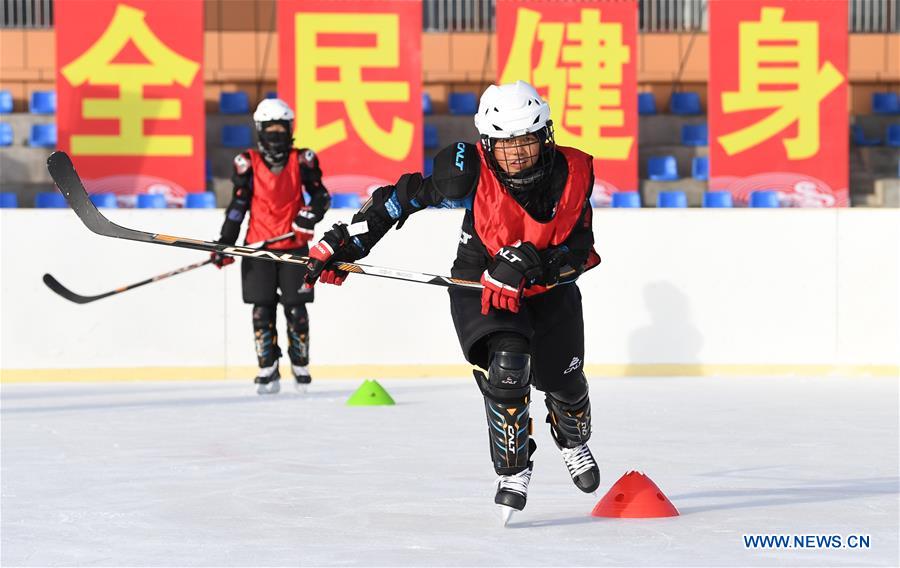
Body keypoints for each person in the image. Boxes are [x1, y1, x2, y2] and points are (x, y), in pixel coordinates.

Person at [303, 81, 600, 522]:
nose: (516, 154)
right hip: (481, 283)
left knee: (566, 385)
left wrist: (532, 264)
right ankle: (513, 469)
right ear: (487, 145)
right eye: (504, 145)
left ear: (545, 136)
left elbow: (580, 252)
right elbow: (400, 201)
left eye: (525, 142)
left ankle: (573, 439)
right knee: (508, 365)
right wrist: (348, 243)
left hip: (549, 291)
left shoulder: (574, 174)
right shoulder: (467, 171)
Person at [211, 98, 330, 395]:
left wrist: (309, 215)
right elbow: (238, 205)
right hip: (258, 247)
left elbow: (321, 196)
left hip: (294, 247)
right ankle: (267, 367)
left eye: (282, 128)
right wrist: (225, 243)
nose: (276, 134)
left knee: (296, 309)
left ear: (290, 129)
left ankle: (300, 365)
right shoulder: (247, 162)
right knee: (261, 310)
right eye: (270, 128)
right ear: (260, 130)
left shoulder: (303, 159)